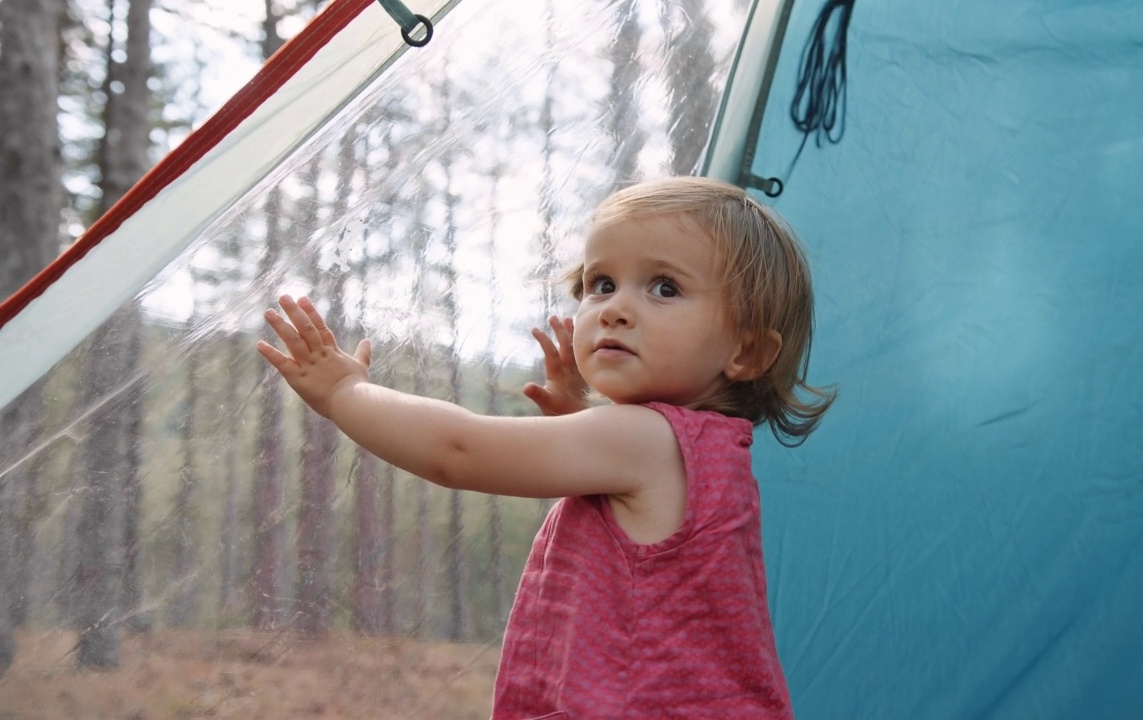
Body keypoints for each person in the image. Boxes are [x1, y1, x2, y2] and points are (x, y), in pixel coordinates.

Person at [257, 176, 835, 719]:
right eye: (600, 284)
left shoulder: (642, 439)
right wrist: (578, 418)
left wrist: (342, 392)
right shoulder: (699, 449)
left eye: (665, 287)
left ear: (747, 353)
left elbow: (458, 450)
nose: (614, 308)